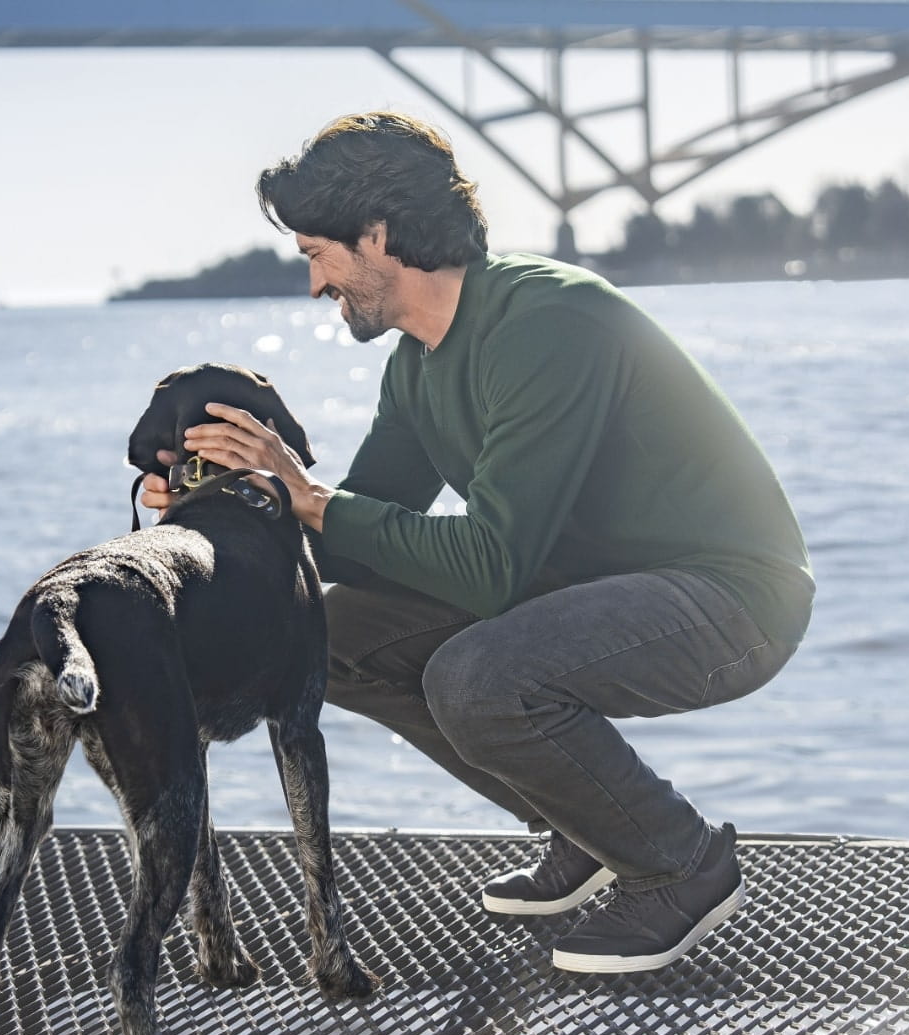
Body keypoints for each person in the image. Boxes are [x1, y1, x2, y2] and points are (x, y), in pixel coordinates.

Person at [141, 111, 812, 973]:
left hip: (730, 598)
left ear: (376, 235)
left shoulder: (549, 323)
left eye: (317, 254)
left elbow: (493, 567)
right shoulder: (418, 363)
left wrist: (310, 497)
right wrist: (232, 508)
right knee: (328, 635)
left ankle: (679, 863)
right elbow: (351, 541)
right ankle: (584, 825)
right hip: (580, 585)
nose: (314, 285)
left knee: (478, 676)